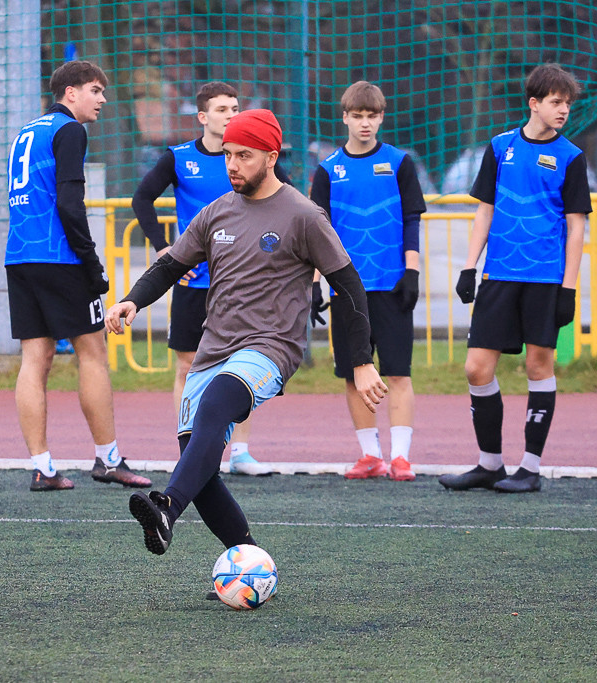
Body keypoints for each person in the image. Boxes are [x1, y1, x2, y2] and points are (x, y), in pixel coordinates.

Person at [107, 109, 388, 562]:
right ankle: (251, 561)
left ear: (271, 157)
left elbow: (350, 287)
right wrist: (132, 301)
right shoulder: (216, 212)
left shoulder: (303, 215)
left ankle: (166, 508)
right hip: (213, 348)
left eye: (244, 155)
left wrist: (361, 360)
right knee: (197, 463)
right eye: (227, 155)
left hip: (271, 348)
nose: (232, 164)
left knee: (218, 402)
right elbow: (170, 265)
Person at [439, 63, 591, 494]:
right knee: (476, 368)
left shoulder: (571, 157)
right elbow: (484, 209)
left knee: (537, 364)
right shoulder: (499, 147)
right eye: (556, 102)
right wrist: (470, 266)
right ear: (534, 103)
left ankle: (529, 467)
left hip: (545, 279)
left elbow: (577, 226)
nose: (563, 110)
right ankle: (489, 463)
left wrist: (569, 288)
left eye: (567, 103)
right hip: (499, 275)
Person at [131, 81, 292, 477]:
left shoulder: (254, 159)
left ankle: (240, 452)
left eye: (235, 107)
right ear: (203, 116)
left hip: (243, 284)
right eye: (222, 109)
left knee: (242, 365)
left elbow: (287, 200)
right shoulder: (178, 158)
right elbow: (141, 198)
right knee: (188, 366)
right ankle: (190, 451)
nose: (231, 114)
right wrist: (161, 247)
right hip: (193, 282)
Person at [5, 60, 151, 492]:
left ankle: (42, 466)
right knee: (93, 352)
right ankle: (108, 459)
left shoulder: (26, 132)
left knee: (35, 359)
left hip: (20, 256)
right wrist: (91, 263)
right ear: (70, 93)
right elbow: (70, 204)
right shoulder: (71, 131)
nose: (102, 99)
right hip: (59, 258)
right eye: (95, 90)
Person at [309, 81, 427, 482]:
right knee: (353, 371)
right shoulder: (327, 170)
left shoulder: (399, 162)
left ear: (381, 117)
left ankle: (401, 458)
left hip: (392, 286)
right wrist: (312, 284)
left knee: (397, 372)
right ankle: (370, 455)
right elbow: (316, 232)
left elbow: (412, 219)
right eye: (357, 115)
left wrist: (412, 271)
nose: (364, 123)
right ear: (344, 117)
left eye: (372, 115)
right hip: (346, 289)